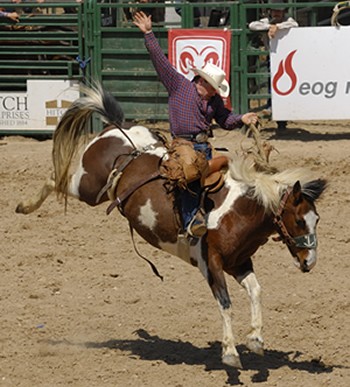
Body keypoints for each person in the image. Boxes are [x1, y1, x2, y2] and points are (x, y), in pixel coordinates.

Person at [133, 11, 258, 237]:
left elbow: (226, 120)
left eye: (213, 87)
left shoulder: (214, 100)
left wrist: (243, 119)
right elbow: (160, 62)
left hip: (203, 145)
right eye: (210, 86)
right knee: (191, 171)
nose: (211, 90)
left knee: (231, 168)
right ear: (202, 81)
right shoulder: (180, 85)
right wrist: (149, 34)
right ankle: (191, 220)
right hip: (183, 145)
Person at [249, 0, 298, 131]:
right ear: (270, 11)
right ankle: (274, 111)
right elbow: (253, 26)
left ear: (283, 12)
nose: (277, 13)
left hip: (289, 57)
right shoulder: (266, 21)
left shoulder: (288, 20)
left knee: (282, 85)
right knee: (274, 83)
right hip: (274, 58)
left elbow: (294, 24)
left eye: (279, 11)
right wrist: (270, 27)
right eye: (275, 11)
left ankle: (280, 116)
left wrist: (278, 26)